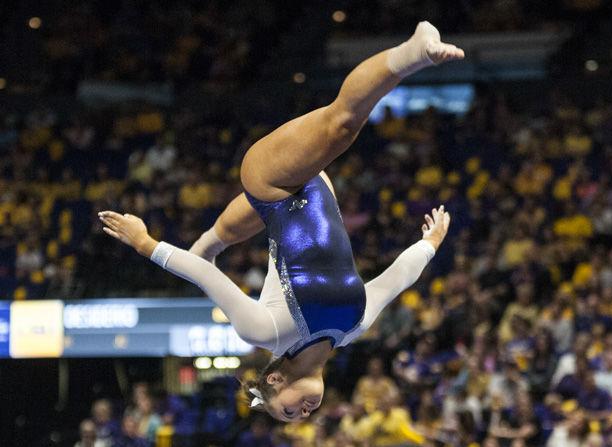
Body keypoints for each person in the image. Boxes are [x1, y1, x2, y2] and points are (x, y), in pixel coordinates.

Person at [99, 21, 464, 423]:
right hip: (309, 189)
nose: (304, 412)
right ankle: (212, 240)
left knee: (341, 126)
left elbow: (206, 277)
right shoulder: (353, 327)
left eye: (289, 410)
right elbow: (396, 280)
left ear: (274, 380)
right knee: (263, 211)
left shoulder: (265, 330)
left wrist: (144, 242)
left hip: (272, 181)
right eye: (303, 416)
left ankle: (414, 50)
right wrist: (429, 245)